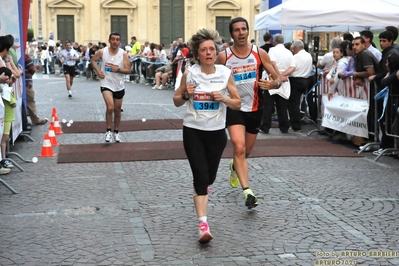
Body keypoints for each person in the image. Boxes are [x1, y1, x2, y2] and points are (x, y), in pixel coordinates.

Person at [173, 28, 241, 243]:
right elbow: (176, 100)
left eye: (212, 49)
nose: (209, 53)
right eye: (204, 50)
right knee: (201, 177)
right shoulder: (189, 73)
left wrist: (223, 98)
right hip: (193, 130)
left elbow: (238, 103)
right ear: (197, 53)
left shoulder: (225, 73)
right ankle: (203, 224)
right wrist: (186, 94)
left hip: (217, 133)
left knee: (208, 177)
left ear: (216, 51)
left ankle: (203, 187)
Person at [217, 17, 282, 209]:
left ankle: (235, 166)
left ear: (248, 31)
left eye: (244, 29)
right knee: (238, 147)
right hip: (235, 107)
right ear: (232, 34)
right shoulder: (224, 57)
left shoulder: (259, 53)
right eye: (237, 30)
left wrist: (273, 83)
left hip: (255, 107)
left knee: (247, 151)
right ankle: (248, 191)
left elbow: (278, 78)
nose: (241, 33)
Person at [91, 32, 131, 143]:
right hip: (106, 83)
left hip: (119, 84)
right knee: (110, 107)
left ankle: (116, 132)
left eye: (117, 39)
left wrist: (118, 69)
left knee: (117, 111)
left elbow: (128, 70)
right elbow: (93, 60)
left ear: (120, 42)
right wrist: (98, 71)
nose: (115, 41)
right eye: (113, 39)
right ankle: (108, 131)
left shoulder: (123, 54)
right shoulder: (102, 52)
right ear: (109, 41)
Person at [259, 34, 293, 134]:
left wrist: (278, 76)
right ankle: (284, 127)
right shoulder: (289, 52)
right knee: (282, 105)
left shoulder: (272, 50)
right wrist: (283, 75)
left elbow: (272, 63)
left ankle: (265, 127)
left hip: (272, 79)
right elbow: (293, 67)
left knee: (268, 105)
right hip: (285, 80)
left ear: (274, 41)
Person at [24, 53, 48, 125]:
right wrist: (34, 68)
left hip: (19, 84)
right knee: (31, 101)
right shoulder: (25, 56)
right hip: (27, 82)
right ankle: (36, 120)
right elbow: (32, 69)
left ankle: (25, 119)